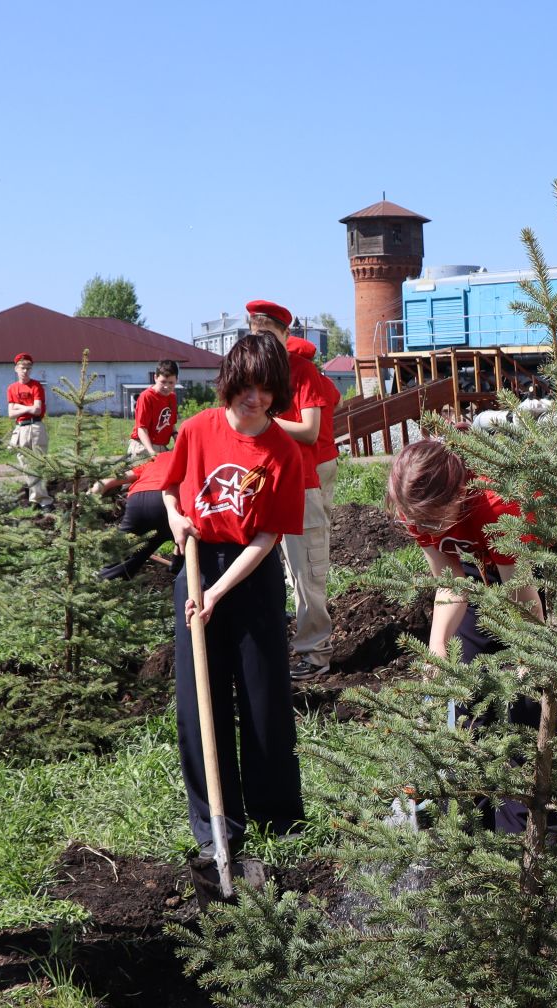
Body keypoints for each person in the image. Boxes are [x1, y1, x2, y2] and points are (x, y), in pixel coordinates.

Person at [155, 333, 307, 858]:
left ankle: (278, 814)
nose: (256, 399)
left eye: (267, 390)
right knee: (202, 698)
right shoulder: (197, 430)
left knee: (264, 695)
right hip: (197, 565)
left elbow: (269, 537)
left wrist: (219, 591)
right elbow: (169, 487)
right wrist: (177, 519)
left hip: (249, 573)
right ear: (231, 383)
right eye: (248, 386)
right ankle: (216, 823)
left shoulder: (283, 451)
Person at [384, 437, 544, 832]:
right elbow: (451, 579)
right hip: (478, 573)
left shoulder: (496, 502)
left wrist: (530, 655)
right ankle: (473, 830)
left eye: (433, 520)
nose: (424, 528)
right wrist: (437, 646)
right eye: (418, 522)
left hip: (532, 574)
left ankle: (522, 834)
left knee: (523, 706)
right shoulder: (417, 508)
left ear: (459, 491)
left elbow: (522, 597)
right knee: (469, 691)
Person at [245, 300, 339, 682]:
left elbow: (311, 430)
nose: (262, 340)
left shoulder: (299, 370)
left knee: (307, 568)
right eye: (256, 333)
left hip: (304, 480)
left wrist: (265, 419)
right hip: (271, 480)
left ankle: (315, 654)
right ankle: (295, 637)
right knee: (283, 567)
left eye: (270, 333)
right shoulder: (257, 372)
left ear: (286, 335)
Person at [99, 456, 172, 581]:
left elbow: (107, 481)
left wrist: (87, 499)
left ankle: (102, 585)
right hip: (173, 499)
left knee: (124, 556)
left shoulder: (159, 459)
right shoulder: (195, 455)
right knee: (199, 549)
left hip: (140, 500)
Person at [6, 352, 52, 509]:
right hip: (20, 429)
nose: (25, 371)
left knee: (38, 463)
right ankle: (35, 498)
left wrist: (19, 406)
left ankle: (44, 500)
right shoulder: (12, 388)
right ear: (16, 369)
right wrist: (28, 408)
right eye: (22, 368)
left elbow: (38, 410)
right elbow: (11, 414)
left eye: (28, 368)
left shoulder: (36, 386)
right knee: (25, 465)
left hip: (36, 427)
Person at [130, 359, 179, 460]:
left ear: (176, 380)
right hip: (143, 446)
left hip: (162, 446)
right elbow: (141, 429)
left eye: (171, 383)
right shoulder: (146, 397)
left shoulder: (172, 397)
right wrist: (151, 452)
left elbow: (171, 424)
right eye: (163, 382)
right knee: (140, 475)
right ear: (155, 378)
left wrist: (178, 441)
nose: (167, 386)